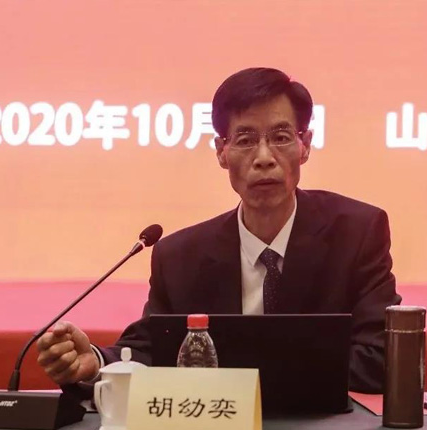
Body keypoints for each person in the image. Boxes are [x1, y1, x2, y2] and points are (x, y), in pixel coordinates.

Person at [36, 67, 401, 394]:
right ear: (221, 152)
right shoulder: (180, 257)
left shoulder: (356, 234)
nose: (264, 158)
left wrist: (247, 377)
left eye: (280, 137)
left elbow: (380, 357)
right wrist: (95, 362)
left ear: (304, 145)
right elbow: (153, 351)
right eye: (245, 140)